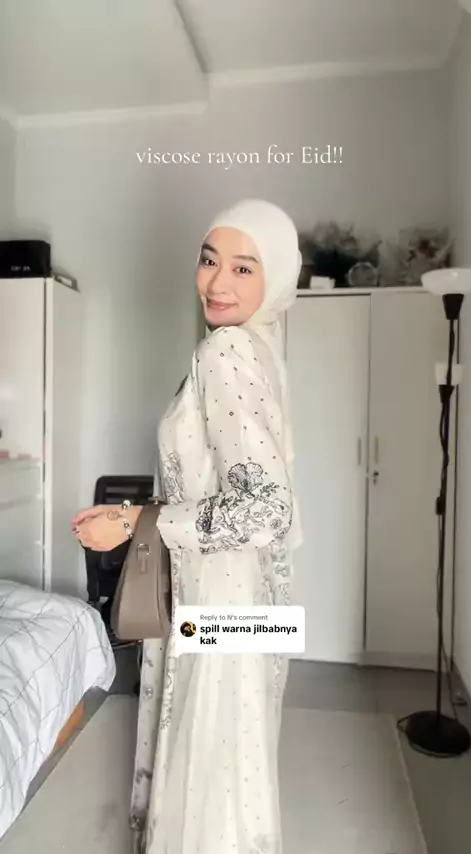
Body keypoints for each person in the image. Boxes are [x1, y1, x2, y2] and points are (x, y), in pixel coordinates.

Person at [71, 198, 302, 854]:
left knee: (209, 768)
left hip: (219, 598)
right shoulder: (263, 348)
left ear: (274, 277)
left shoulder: (226, 350)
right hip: (247, 597)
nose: (218, 282)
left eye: (244, 267)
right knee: (230, 770)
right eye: (208, 260)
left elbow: (266, 508)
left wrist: (133, 520)